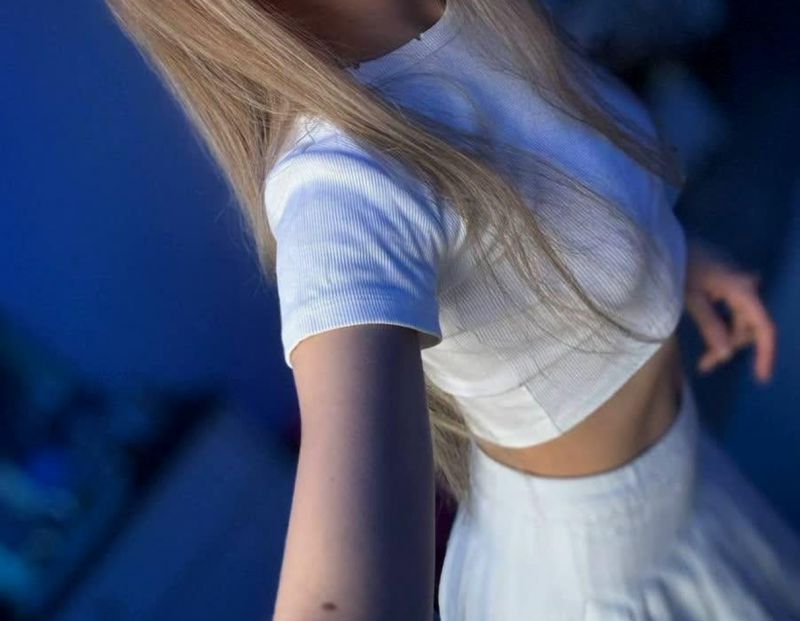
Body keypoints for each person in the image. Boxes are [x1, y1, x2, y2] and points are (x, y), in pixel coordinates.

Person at [103, 0, 800, 619]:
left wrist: (668, 253)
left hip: (692, 491)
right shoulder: (338, 180)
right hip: (597, 589)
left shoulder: (470, 15)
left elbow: (556, 188)